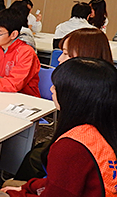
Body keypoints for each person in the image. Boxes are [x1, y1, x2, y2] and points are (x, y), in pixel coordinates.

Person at [0, 57, 117, 197]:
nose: (51, 89)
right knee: (12, 185)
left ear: (75, 97)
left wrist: (18, 194)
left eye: (57, 87)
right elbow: (60, 185)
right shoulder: (103, 128)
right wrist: (26, 188)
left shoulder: (72, 146)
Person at [13, 27, 113, 182]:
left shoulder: (92, 99)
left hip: (83, 168)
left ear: (86, 57)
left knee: (35, 157)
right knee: (37, 152)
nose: (59, 59)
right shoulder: (100, 86)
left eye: (66, 53)